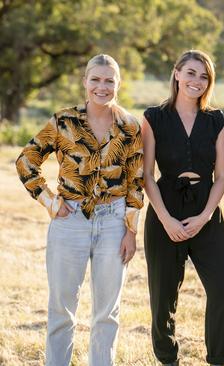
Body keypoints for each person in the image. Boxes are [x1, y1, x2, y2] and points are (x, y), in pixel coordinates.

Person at [15, 54, 143, 365]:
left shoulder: (130, 127)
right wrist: (50, 202)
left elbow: (135, 182)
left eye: (109, 80)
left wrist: (131, 230)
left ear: (118, 84)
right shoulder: (63, 121)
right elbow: (26, 161)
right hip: (69, 221)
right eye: (96, 79)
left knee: (106, 313)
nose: (102, 86)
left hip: (114, 223)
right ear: (85, 82)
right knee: (61, 309)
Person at [142, 50, 224, 366]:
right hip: (165, 207)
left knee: (222, 292)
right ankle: (168, 360)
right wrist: (166, 220)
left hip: (206, 208)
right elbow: (147, 176)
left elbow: (222, 177)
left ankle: (218, 359)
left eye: (204, 76)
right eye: (191, 73)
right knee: (163, 298)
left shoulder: (216, 120)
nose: (197, 81)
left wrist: (205, 216)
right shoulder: (153, 117)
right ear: (177, 73)